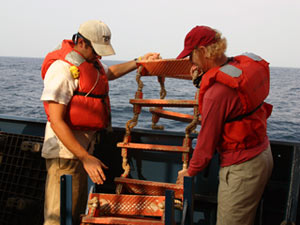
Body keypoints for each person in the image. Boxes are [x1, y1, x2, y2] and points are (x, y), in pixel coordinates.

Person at [40, 19, 160, 225]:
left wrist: (139, 61)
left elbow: (109, 73)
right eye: (96, 49)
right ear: (82, 43)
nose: (100, 55)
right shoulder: (62, 69)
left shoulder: (90, 62)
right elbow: (57, 120)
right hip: (65, 155)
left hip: (82, 152)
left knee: (76, 214)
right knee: (58, 218)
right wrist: (86, 158)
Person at [176, 25, 274, 225]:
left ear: (202, 52)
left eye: (191, 56)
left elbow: (206, 143)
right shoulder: (237, 67)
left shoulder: (216, 93)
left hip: (242, 169)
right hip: (263, 153)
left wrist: (190, 171)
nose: (190, 62)